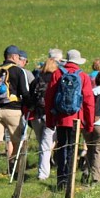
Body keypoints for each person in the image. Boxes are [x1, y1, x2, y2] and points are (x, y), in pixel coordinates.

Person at [44, 49, 95, 190]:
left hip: (60, 118)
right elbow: (89, 102)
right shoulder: (83, 76)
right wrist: (89, 124)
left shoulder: (57, 74)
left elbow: (48, 98)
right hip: (76, 119)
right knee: (73, 148)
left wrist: (50, 121)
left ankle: (61, 181)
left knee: (61, 148)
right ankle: (70, 180)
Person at [0, 45, 30, 183]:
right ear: (15, 57)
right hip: (13, 111)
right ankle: (15, 170)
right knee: (18, 142)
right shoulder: (18, 71)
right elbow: (25, 93)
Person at [28, 49, 63, 181]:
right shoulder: (56, 80)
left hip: (36, 115)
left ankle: (44, 167)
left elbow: (30, 97)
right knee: (47, 144)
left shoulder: (36, 80)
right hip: (50, 115)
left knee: (42, 143)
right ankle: (43, 173)